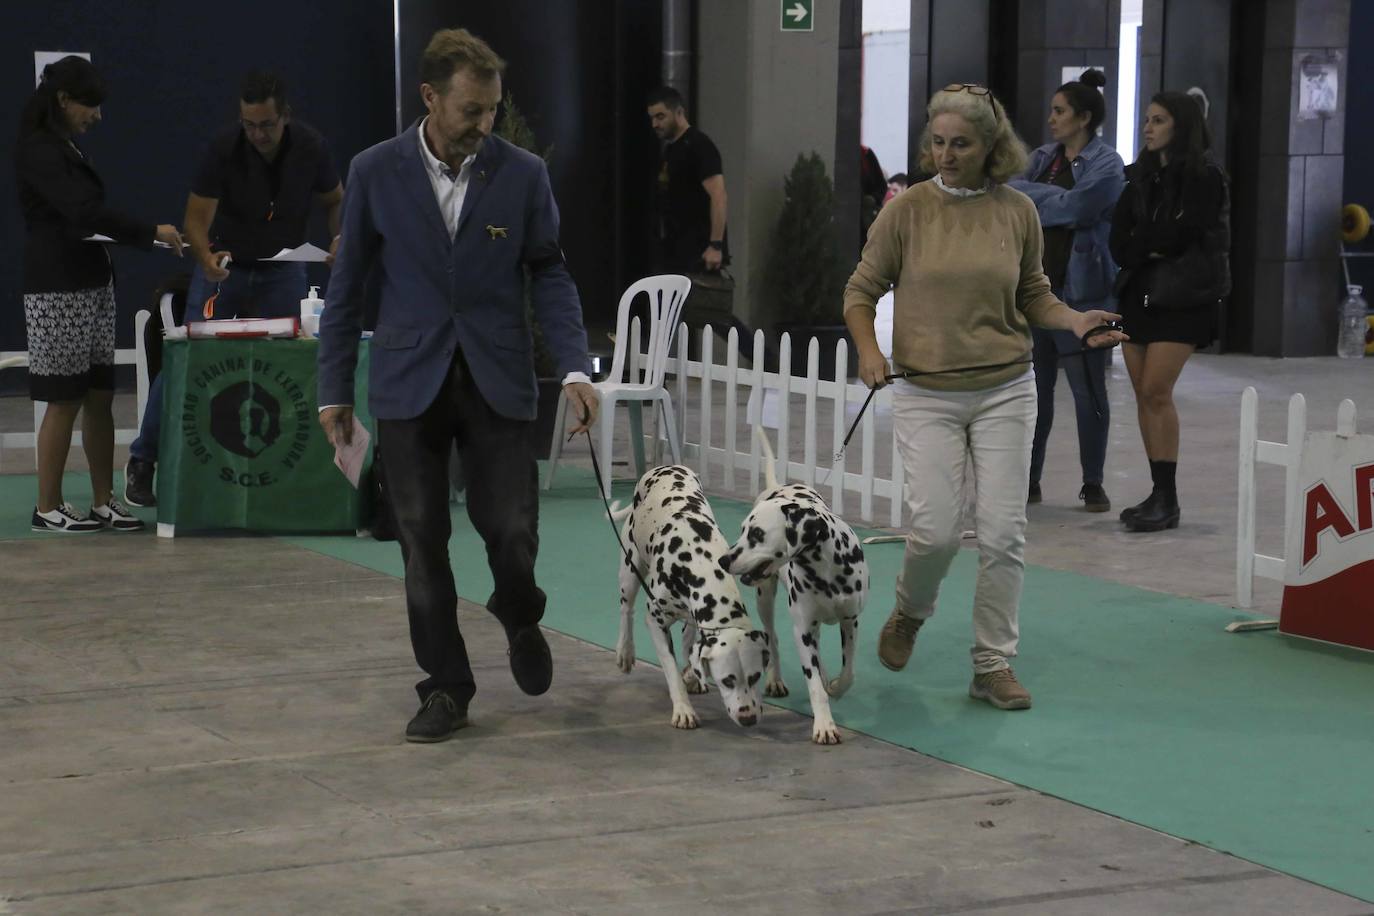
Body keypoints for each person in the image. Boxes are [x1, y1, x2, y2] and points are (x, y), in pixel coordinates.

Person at [316, 28, 599, 743]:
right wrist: (333, 391)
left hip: (498, 377)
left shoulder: (523, 174)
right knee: (421, 539)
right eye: (471, 110)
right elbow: (346, 289)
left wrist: (574, 367)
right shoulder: (375, 172)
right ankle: (446, 685)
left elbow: (551, 272)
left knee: (510, 529)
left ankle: (517, 608)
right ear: (429, 98)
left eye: (493, 109)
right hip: (408, 380)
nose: (486, 125)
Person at [844, 84, 1126, 710]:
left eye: (960, 144)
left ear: (991, 148)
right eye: (937, 142)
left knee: (1003, 535)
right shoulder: (907, 210)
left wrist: (1075, 320)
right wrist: (869, 350)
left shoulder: (1018, 211)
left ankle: (991, 662)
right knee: (936, 533)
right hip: (926, 393)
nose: (945, 154)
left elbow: (1034, 293)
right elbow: (860, 291)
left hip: (1006, 390)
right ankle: (910, 614)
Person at [124, 71, 343, 507]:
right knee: (188, 359)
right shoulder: (223, 148)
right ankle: (143, 460)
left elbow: (335, 199)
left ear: (286, 117)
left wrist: (340, 239)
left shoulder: (312, 147)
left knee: (296, 361)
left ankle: (295, 467)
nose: (258, 133)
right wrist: (205, 259)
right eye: (249, 124)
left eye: (266, 124)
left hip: (285, 271)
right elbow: (196, 221)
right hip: (224, 267)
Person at [16, 56, 185, 533]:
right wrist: (149, 230)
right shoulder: (39, 150)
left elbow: (87, 213)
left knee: (98, 394)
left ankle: (103, 500)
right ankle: (47, 507)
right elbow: (84, 211)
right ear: (65, 100)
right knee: (62, 397)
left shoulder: (66, 147)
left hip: (91, 279)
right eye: (91, 105)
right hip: (57, 286)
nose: (98, 115)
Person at [1109, 91, 1230, 532]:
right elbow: (1120, 241)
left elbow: (1181, 235)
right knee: (1143, 391)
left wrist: (1148, 242)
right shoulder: (1140, 177)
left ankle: (1169, 497)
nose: (1148, 127)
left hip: (1184, 297)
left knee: (1157, 389)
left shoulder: (1205, 177)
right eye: (1146, 119)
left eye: (1158, 120)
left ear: (1180, 126)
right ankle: (1158, 492)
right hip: (1138, 293)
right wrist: (1149, 244)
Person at [1008, 69, 1125, 512]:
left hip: (1084, 293)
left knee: (1087, 390)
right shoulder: (1041, 158)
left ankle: (1092, 482)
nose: (1051, 119)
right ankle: (1029, 480)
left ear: (1083, 117)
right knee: (1034, 391)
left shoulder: (1107, 164)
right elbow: (1010, 193)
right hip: (1038, 291)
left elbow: (1080, 207)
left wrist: (1038, 203)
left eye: (1059, 112)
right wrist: (1049, 202)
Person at [647, 87, 729, 274]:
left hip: (698, 254)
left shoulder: (699, 145)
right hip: (675, 250)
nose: (655, 124)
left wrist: (716, 245)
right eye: (652, 118)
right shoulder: (671, 150)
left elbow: (719, 195)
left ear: (679, 112)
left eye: (660, 117)